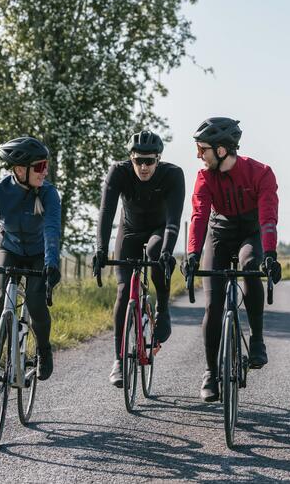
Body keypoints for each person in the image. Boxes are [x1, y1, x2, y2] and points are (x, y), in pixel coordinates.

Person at [181, 117, 282, 402]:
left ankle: (257, 339)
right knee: (213, 304)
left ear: (222, 149)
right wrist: (192, 254)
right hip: (219, 234)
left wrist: (270, 254)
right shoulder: (205, 176)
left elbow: (268, 218)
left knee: (251, 266)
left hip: (250, 233)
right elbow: (199, 216)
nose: (198, 155)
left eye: (202, 149)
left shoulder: (261, 173)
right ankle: (211, 373)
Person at [0, 136, 61, 393]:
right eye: (39, 167)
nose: (45, 171)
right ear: (20, 170)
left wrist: (52, 262)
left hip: (39, 253)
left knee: (35, 301)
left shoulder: (49, 193)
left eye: (45, 166)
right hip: (9, 248)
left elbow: (52, 229)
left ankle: (43, 349)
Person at [93, 130, 185, 387]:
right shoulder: (118, 172)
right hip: (130, 231)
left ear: (158, 159)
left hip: (159, 230)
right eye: (138, 161)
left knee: (157, 255)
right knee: (123, 292)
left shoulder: (173, 175)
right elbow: (106, 213)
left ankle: (163, 308)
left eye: (149, 161)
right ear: (130, 158)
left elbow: (173, 220)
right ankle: (120, 361)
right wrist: (101, 248)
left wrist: (168, 251)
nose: (144, 167)